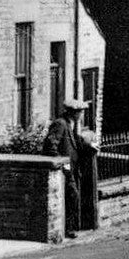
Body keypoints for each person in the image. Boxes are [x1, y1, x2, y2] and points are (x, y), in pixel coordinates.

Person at [42, 98, 94, 238]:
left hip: (71, 169)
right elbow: (50, 145)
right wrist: (62, 165)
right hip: (64, 170)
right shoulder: (60, 124)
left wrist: (89, 145)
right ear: (73, 112)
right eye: (79, 112)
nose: (81, 115)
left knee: (72, 197)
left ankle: (68, 228)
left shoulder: (69, 124)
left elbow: (76, 141)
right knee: (73, 196)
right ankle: (67, 229)